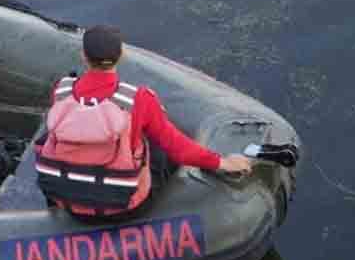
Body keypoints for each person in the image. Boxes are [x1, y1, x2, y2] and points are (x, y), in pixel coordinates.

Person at [34, 25, 253, 219]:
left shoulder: (61, 91)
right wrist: (225, 163)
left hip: (70, 205)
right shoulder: (138, 99)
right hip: (125, 206)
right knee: (158, 147)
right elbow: (180, 150)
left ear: (84, 56)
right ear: (121, 55)